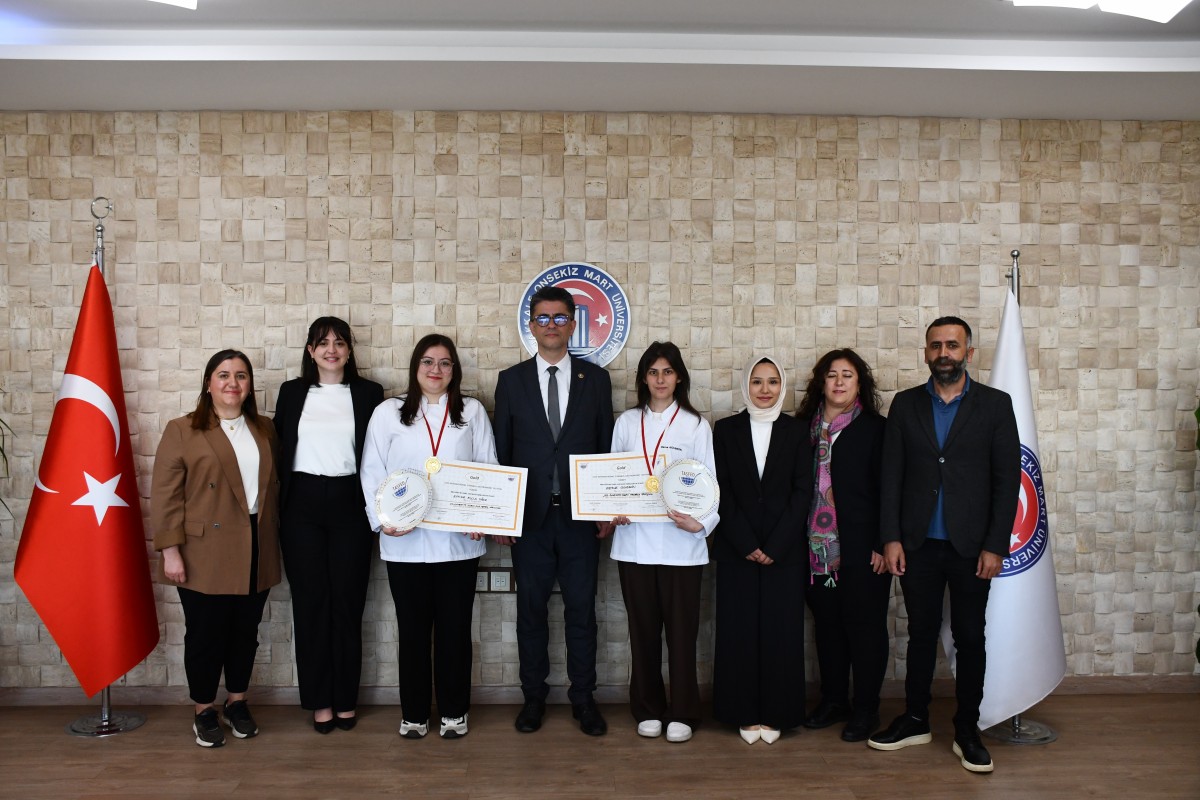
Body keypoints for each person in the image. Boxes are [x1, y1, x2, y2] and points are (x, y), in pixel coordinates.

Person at [867, 316, 1020, 774]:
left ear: (968, 353)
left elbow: (1007, 480)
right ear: (926, 353)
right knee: (920, 634)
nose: (944, 353)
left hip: (973, 547)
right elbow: (891, 476)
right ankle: (915, 719)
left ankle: (967, 729)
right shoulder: (906, 404)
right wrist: (891, 538)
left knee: (970, 636)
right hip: (917, 545)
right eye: (936, 346)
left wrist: (995, 545)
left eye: (952, 345)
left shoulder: (995, 405)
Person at [360, 334, 497, 740]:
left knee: (455, 630)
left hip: (459, 543)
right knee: (413, 632)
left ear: (455, 370)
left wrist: (484, 517)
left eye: (444, 363)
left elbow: (488, 467)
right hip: (405, 541)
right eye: (427, 361)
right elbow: (372, 470)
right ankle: (414, 713)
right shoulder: (388, 412)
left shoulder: (471, 411)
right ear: (415, 367)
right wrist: (381, 519)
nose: (435, 370)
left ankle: (454, 711)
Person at [492, 285, 615, 736]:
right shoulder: (511, 381)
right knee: (531, 613)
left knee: (582, 611)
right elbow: (503, 452)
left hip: (581, 520)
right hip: (530, 520)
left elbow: (604, 448)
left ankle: (584, 699)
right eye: (542, 318)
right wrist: (503, 517)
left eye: (559, 318)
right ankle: (533, 699)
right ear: (531, 325)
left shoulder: (595, 380)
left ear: (572, 324)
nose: (551, 325)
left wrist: (605, 509)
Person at [151, 349, 281, 748]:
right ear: (208, 383)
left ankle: (237, 702)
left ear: (249, 385)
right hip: (203, 550)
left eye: (241, 375)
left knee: (245, 633)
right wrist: (170, 550)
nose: (232, 383)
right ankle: (204, 708)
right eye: (223, 375)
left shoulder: (264, 428)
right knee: (205, 635)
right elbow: (165, 495)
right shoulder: (183, 429)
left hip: (257, 545)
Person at [273, 317, 384, 734]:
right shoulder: (292, 392)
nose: (331, 350)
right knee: (311, 604)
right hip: (301, 505)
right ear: (310, 350)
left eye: (339, 343)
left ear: (350, 350)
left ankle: (345, 699)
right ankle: (320, 700)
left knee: (348, 604)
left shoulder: (370, 393)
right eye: (323, 343)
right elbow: (279, 449)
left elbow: (379, 451)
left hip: (350, 502)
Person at [608, 342, 719, 744]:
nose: (660, 379)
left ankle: (684, 711)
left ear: (679, 378)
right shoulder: (626, 423)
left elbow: (711, 486)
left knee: (682, 634)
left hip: (681, 545)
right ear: (643, 378)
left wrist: (700, 523)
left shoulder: (695, 425)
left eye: (667, 372)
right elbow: (612, 478)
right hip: (634, 543)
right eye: (653, 372)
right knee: (642, 633)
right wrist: (613, 510)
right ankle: (648, 708)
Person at [711, 355, 811, 745]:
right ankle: (742, 711)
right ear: (746, 386)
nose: (764, 389)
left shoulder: (797, 431)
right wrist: (747, 543)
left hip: (784, 552)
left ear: (782, 386)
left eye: (772, 381)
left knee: (781, 633)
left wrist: (775, 544)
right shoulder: (725, 429)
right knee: (737, 631)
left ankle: (778, 712)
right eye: (757, 381)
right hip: (737, 548)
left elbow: (803, 492)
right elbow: (720, 489)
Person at [796, 349, 891, 742]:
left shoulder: (877, 429)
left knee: (865, 630)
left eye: (847, 375)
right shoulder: (802, 429)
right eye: (832, 375)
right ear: (821, 382)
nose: (838, 382)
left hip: (864, 551)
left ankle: (866, 709)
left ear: (859, 383)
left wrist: (884, 543)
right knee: (828, 629)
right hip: (814, 552)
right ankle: (834, 700)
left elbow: (891, 489)